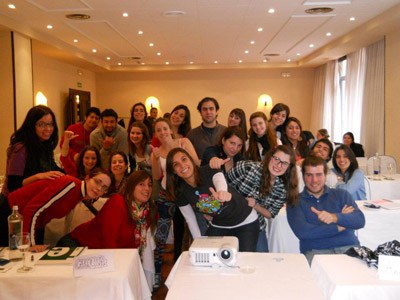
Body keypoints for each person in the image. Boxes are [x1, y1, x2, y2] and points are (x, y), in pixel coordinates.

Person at [166, 148, 259, 252]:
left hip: (245, 220)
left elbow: (219, 180)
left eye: (184, 159)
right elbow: (190, 219)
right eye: (176, 164)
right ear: (173, 171)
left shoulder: (208, 170)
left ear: (191, 160)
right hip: (220, 224)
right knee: (208, 255)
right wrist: (198, 242)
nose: (182, 166)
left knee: (243, 259)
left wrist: (222, 192)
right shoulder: (180, 191)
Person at [0, 105, 65, 246]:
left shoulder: (44, 147)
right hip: (12, 209)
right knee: (16, 253)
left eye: (50, 124)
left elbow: (56, 171)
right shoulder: (21, 148)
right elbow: (13, 184)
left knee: (36, 251)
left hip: (34, 207)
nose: (47, 129)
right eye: (41, 124)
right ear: (32, 125)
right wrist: (38, 176)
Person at [286, 155, 365, 264]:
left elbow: (359, 221)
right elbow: (304, 232)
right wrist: (339, 226)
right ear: (303, 176)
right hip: (315, 252)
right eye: (309, 175)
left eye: (319, 175)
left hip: (348, 249)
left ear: (325, 175)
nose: (314, 180)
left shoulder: (341, 195)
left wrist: (335, 217)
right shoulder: (295, 201)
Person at [151, 118, 200, 287]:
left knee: (183, 234)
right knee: (161, 236)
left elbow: (197, 163)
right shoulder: (156, 152)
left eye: (165, 128)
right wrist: (156, 159)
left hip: (186, 194)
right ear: (155, 134)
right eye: (159, 130)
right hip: (167, 197)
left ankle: (183, 274)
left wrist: (185, 153)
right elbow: (157, 177)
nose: (163, 132)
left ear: (171, 129)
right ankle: (157, 275)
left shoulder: (183, 142)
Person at [7, 168, 111, 245]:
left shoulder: (79, 195)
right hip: (11, 213)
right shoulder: (71, 184)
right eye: (97, 182)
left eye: (104, 188)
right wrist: (30, 244)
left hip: (25, 222)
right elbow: (31, 210)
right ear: (88, 178)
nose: (99, 188)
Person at [59, 170, 157, 251]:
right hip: (77, 245)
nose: (147, 188)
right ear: (131, 186)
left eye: (150, 185)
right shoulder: (118, 202)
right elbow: (109, 242)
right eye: (141, 184)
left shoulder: (148, 212)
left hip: (101, 255)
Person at [227, 145, 298, 252]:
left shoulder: (282, 188)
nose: (278, 165)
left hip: (255, 224)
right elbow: (224, 184)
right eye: (276, 159)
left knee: (263, 258)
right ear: (270, 157)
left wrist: (255, 205)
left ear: (289, 167)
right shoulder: (248, 168)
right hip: (230, 220)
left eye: (284, 163)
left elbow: (270, 214)